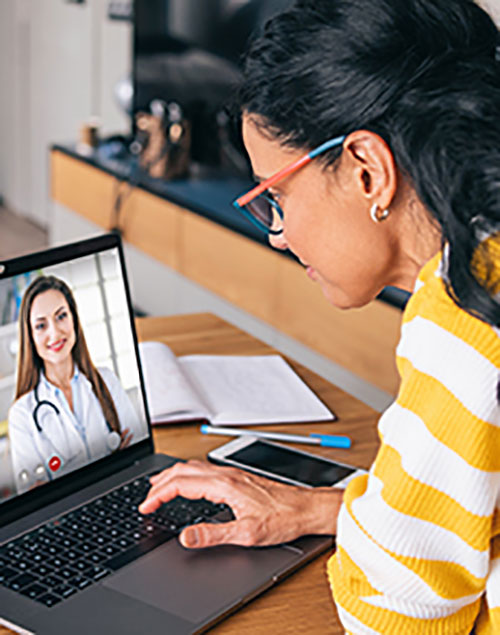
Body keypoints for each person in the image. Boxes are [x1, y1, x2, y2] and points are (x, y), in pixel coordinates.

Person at [139, 0, 500, 632]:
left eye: (276, 194)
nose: (277, 234)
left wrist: (370, 544)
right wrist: (326, 508)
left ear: (367, 171)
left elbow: (398, 613)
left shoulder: (466, 323)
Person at [8, 275, 143, 493]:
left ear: (74, 319)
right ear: (30, 336)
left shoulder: (106, 380)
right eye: (41, 325)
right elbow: (35, 495)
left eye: (61, 316)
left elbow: (137, 455)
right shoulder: (22, 415)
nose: (55, 332)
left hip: (121, 493)